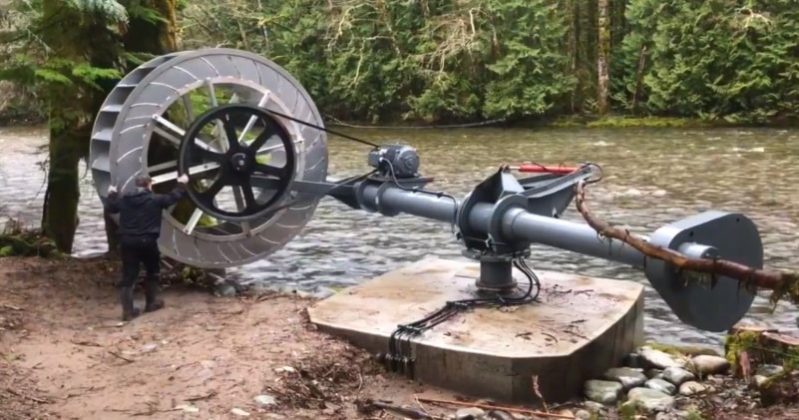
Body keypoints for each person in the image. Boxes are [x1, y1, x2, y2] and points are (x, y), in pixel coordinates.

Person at [106, 174, 189, 321]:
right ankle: (151, 303)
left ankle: (128, 311)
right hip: (147, 242)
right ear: (149, 185)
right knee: (152, 271)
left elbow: (111, 208)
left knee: (129, 275)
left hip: (128, 242)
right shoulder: (156, 200)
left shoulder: (125, 200)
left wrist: (112, 193)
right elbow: (173, 197)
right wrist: (181, 183)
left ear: (136, 185)